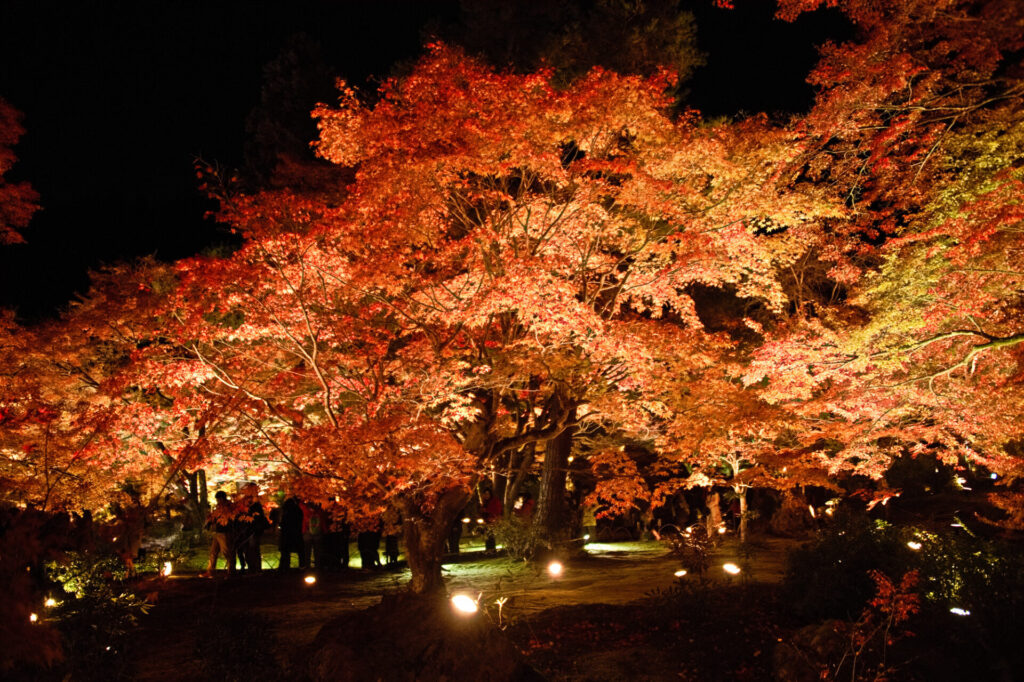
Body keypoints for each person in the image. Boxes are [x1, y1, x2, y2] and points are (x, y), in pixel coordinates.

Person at [234, 483, 269, 573]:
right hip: (247, 530)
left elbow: (258, 518)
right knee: (248, 550)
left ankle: (255, 569)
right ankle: (252, 568)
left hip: (254, 530)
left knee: (253, 550)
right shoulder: (247, 505)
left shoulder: (256, 505)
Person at [201, 491, 235, 577]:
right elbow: (214, 518)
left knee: (227, 552)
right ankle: (210, 571)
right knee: (213, 552)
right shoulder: (219, 507)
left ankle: (231, 571)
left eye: (218, 499)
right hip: (217, 532)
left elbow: (230, 520)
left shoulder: (228, 507)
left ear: (222, 499)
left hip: (225, 532)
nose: (217, 501)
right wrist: (209, 523)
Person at [277, 496, 304, 571]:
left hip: (287, 534)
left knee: (285, 552)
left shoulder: (286, 512)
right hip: (296, 533)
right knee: (300, 551)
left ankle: (284, 566)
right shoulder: (298, 510)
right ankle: (302, 566)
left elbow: (283, 523)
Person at [301, 501, 325, 570]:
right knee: (317, 550)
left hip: (307, 532)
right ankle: (317, 565)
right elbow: (322, 521)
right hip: (317, 532)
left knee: (307, 550)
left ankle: (307, 565)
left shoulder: (304, 510)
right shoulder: (319, 511)